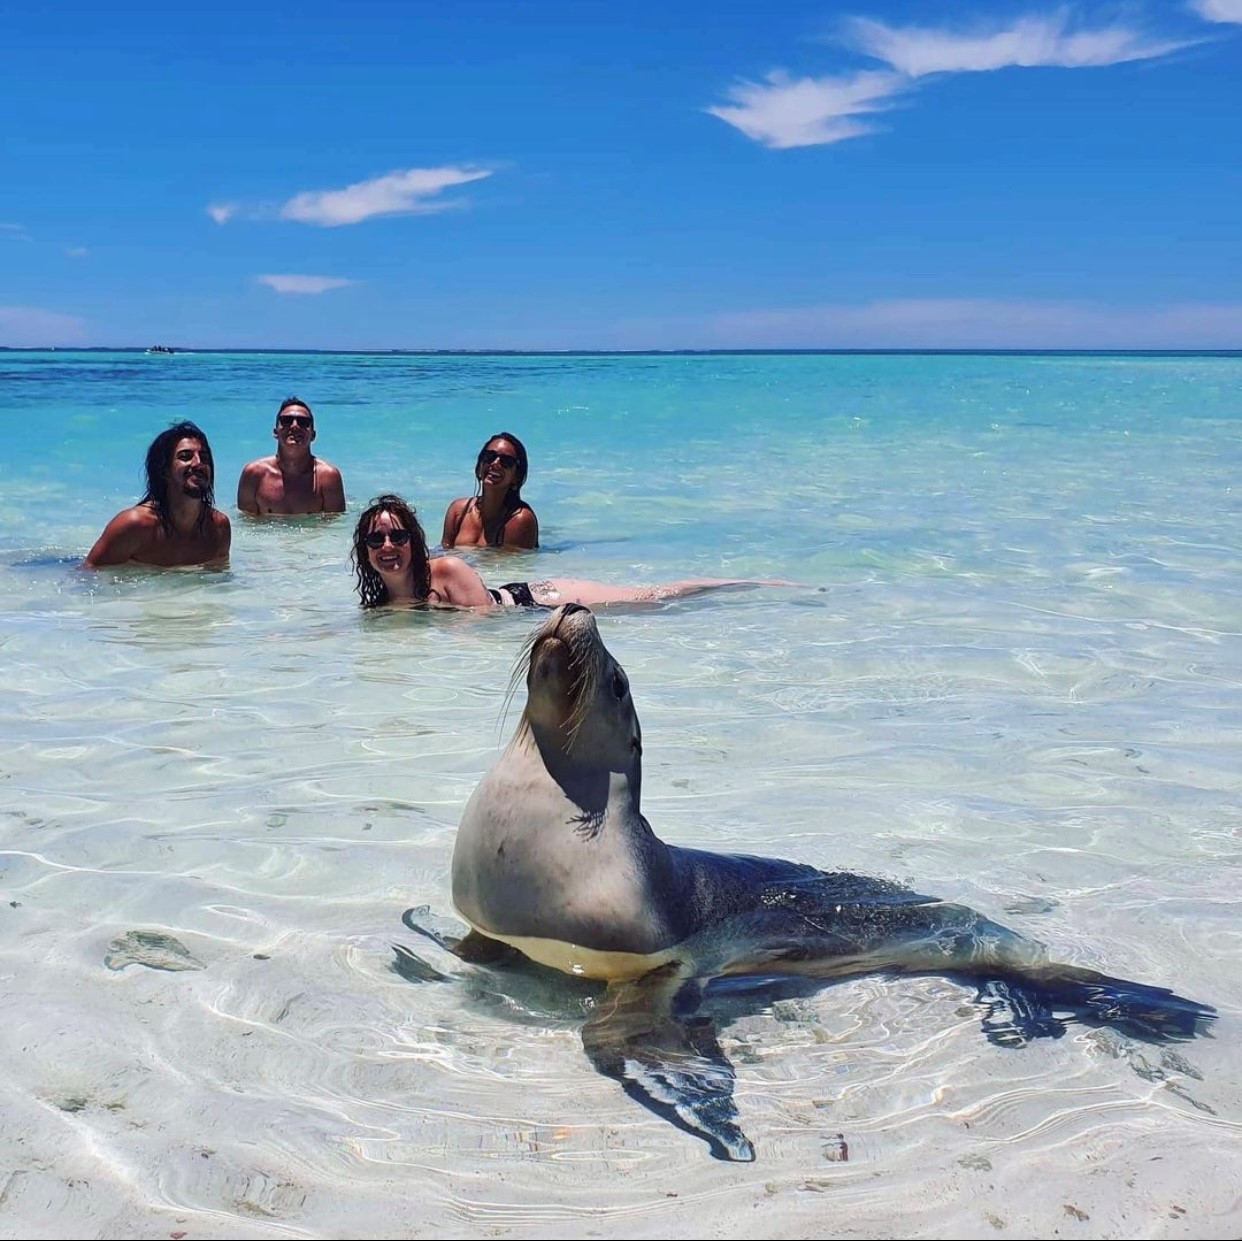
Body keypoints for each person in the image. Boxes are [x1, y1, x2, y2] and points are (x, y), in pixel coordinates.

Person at [353, 494, 775, 610]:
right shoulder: (383, 604)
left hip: (541, 598)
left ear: (414, 541)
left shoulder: (446, 571)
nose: (388, 547)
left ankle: (743, 583)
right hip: (530, 606)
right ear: (365, 551)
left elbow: (480, 626)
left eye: (398, 537)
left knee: (652, 597)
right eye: (376, 540)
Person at [83, 420, 232, 568]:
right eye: (185, 456)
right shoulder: (134, 525)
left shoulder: (218, 528)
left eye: (204, 458)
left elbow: (218, 583)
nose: (198, 463)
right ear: (164, 471)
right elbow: (88, 574)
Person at [236, 397, 346, 516]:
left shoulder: (328, 477)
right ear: (275, 432)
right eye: (286, 421)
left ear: (313, 435)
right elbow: (246, 526)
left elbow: (335, 528)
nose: (295, 426)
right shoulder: (254, 474)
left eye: (303, 422)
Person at [441, 432, 539, 549]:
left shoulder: (519, 519)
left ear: (516, 476)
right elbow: (444, 553)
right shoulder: (458, 511)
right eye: (489, 457)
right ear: (480, 464)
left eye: (506, 461)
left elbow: (511, 566)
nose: (495, 463)